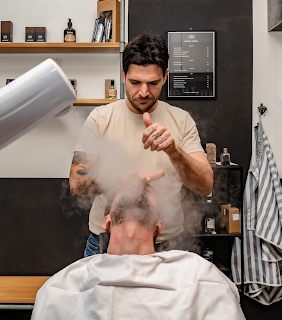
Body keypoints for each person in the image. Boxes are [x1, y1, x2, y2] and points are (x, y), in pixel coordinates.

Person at [69, 33, 213, 257]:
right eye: (135, 82)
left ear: (165, 76)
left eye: (153, 83)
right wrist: (119, 180)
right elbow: (77, 183)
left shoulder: (181, 120)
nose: (144, 92)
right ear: (123, 75)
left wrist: (174, 152)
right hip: (106, 243)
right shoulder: (100, 118)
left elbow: (205, 186)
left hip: (168, 245)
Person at [31, 183, 245, 320]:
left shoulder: (200, 276)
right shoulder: (61, 287)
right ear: (106, 221)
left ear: (159, 226)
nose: (139, 184)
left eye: (148, 190)